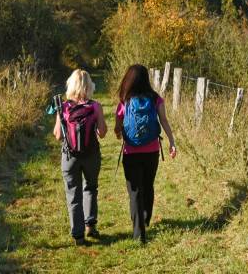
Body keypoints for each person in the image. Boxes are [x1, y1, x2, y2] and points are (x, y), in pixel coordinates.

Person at [114, 64, 176, 244]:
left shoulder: (124, 100)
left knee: (135, 191)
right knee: (148, 185)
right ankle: (146, 217)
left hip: (131, 152)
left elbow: (118, 127)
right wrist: (172, 142)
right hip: (152, 150)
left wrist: (119, 133)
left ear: (129, 79)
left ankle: (139, 234)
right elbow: (163, 121)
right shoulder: (156, 99)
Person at [53, 69, 107, 246]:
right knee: (90, 188)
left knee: (73, 194)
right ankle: (90, 225)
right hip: (91, 155)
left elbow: (58, 136)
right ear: (89, 86)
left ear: (71, 85)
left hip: (70, 156)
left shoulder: (64, 107)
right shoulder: (95, 106)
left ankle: (78, 235)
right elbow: (103, 132)